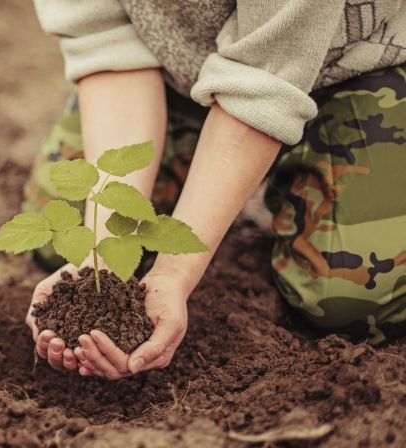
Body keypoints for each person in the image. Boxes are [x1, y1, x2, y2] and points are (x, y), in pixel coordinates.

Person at [23, 0, 406, 379]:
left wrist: (175, 271)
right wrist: (101, 260)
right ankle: (201, 123)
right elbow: (107, 40)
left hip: (358, 64)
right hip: (184, 69)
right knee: (64, 226)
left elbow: (265, 82)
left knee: (354, 299)